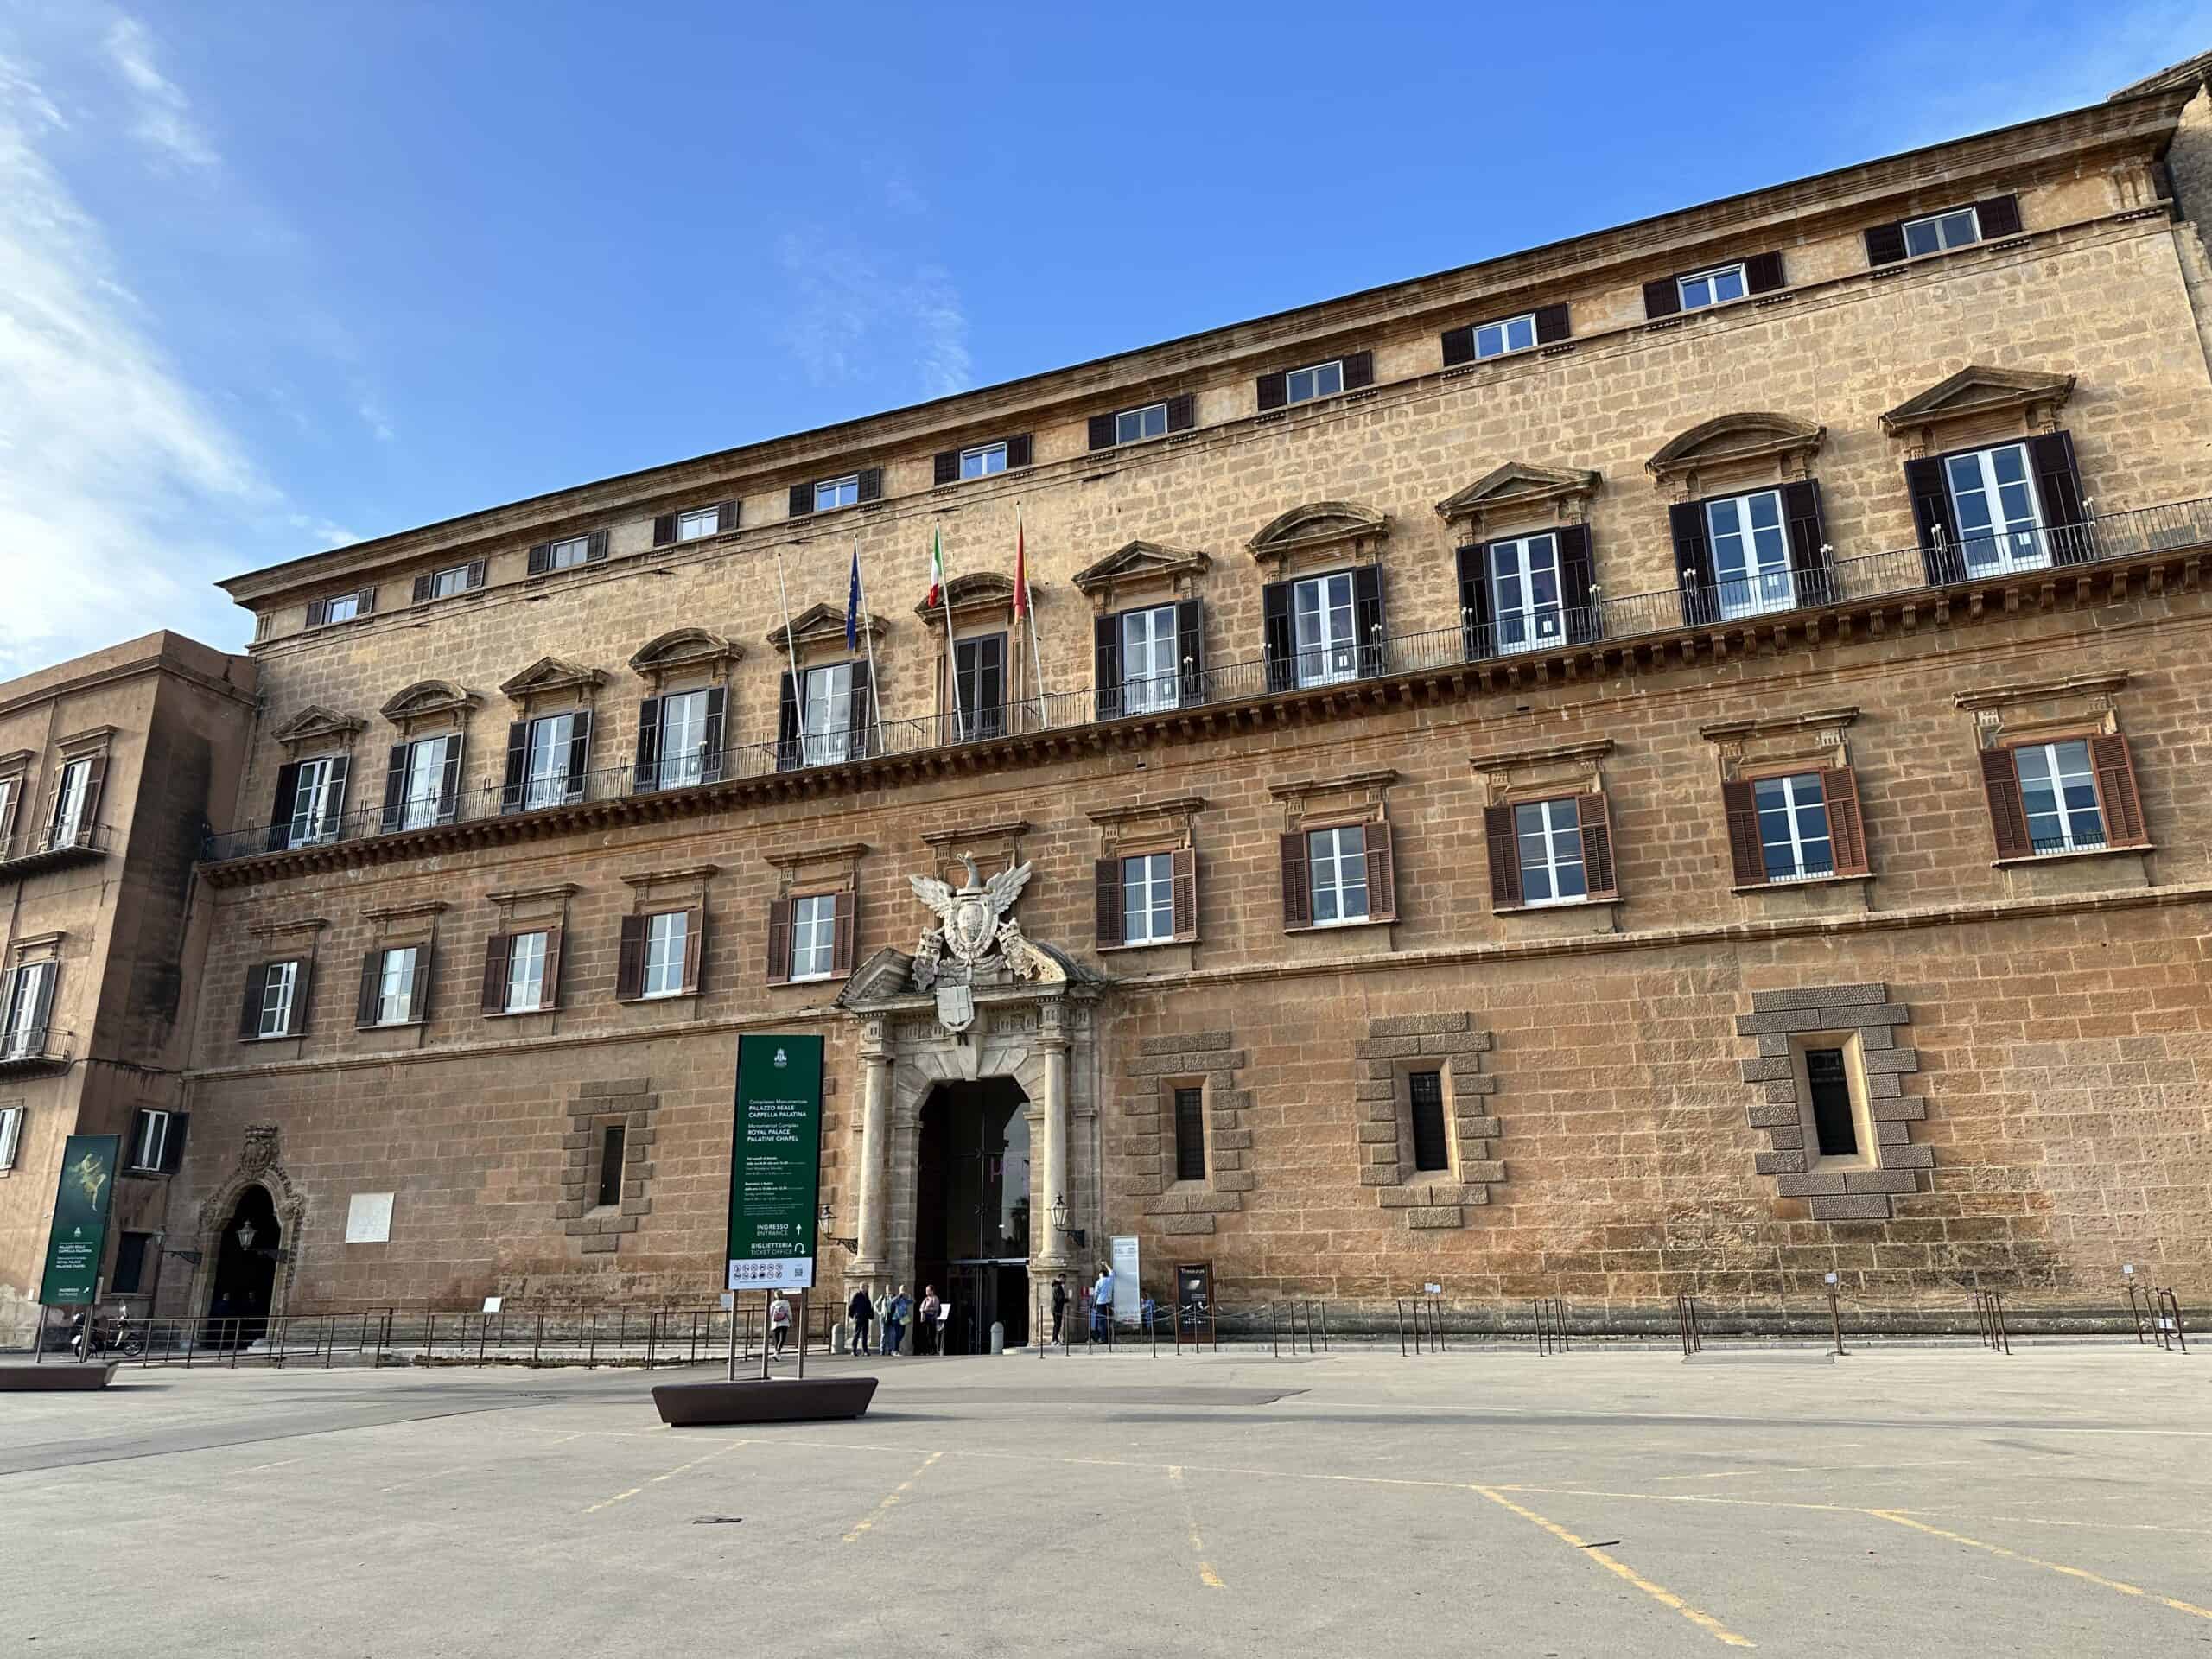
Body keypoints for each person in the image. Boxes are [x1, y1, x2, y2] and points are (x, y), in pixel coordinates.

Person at [885, 1285, 912, 1357]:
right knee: (897, 1335)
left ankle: (896, 1349)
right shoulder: (898, 1297)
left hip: (903, 1319)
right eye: (903, 1289)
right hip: (896, 1318)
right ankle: (895, 1350)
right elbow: (893, 1301)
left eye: (905, 1289)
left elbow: (913, 1301)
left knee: (902, 1334)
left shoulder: (905, 1298)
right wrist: (900, 1295)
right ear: (900, 1290)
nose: (904, 1291)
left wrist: (908, 1295)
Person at [848, 1285, 874, 1357]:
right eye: (865, 1287)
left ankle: (865, 1350)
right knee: (857, 1334)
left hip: (865, 1317)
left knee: (865, 1335)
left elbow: (869, 1306)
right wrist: (852, 1315)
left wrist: (871, 1315)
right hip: (859, 1317)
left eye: (866, 1287)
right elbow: (852, 1305)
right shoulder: (857, 1296)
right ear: (861, 1288)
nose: (866, 1288)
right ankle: (853, 1350)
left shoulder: (866, 1296)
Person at [1091, 1263, 1114, 1343]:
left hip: (1100, 1303)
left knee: (1101, 1322)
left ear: (1101, 1275)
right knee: (1107, 1321)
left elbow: (1096, 1293)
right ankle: (1107, 1338)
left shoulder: (1099, 1281)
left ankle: (1103, 1339)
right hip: (1108, 1303)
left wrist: (1094, 1304)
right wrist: (1106, 1264)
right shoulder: (1110, 1280)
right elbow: (1111, 1271)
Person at [768, 1292, 792, 1357]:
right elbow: (789, 1313)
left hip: (775, 1323)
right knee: (782, 1339)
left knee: (777, 1339)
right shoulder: (786, 1302)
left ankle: (777, 1353)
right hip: (784, 1323)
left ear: (776, 1296)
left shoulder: (773, 1303)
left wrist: (772, 1322)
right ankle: (777, 1352)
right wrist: (790, 1321)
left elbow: (771, 1313)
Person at [918, 1286, 941, 1355]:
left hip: (931, 1318)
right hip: (925, 1318)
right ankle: (926, 1350)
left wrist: (927, 1309)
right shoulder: (926, 1299)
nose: (926, 1292)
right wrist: (922, 1311)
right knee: (925, 1335)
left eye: (928, 1290)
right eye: (926, 1290)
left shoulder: (935, 1298)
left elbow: (936, 1308)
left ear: (932, 1291)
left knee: (931, 1335)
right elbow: (921, 1307)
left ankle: (933, 1351)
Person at [1050, 1275, 1068, 1344]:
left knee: (1056, 1324)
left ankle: (1055, 1339)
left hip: (1055, 1308)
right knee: (1057, 1325)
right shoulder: (1058, 1287)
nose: (1065, 1281)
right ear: (1061, 1278)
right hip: (1057, 1309)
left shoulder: (1055, 1286)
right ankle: (1055, 1340)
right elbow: (1060, 1299)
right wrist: (1068, 1299)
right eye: (1064, 1279)